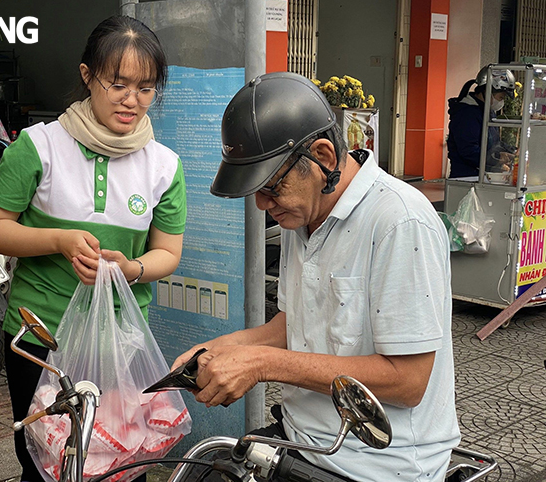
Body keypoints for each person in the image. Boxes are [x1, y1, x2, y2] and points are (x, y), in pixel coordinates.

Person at [173, 72, 459, 482]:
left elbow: (408, 380)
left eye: (271, 187)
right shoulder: (303, 214)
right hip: (302, 440)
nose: (261, 203)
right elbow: (294, 325)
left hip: (375, 463)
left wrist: (262, 363)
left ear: (323, 158)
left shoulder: (400, 221)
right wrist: (220, 348)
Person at [0, 15, 187, 481]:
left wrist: (131, 267)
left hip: (121, 342)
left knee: (121, 460)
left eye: (146, 88)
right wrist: (58, 240)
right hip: (39, 338)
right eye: (118, 83)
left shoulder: (164, 166)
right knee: (43, 463)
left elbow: (168, 253)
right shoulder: (38, 146)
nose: (132, 100)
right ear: (88, 75)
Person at [447, 64, 516, 178]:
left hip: (484, 175)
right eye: (500, 97)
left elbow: (493, 143)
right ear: (487, 91)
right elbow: (468, 150)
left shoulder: (487, 110)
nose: (501, 102)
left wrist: (512, 151)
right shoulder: (467, 114)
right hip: (467, 177)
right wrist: (497, 159)